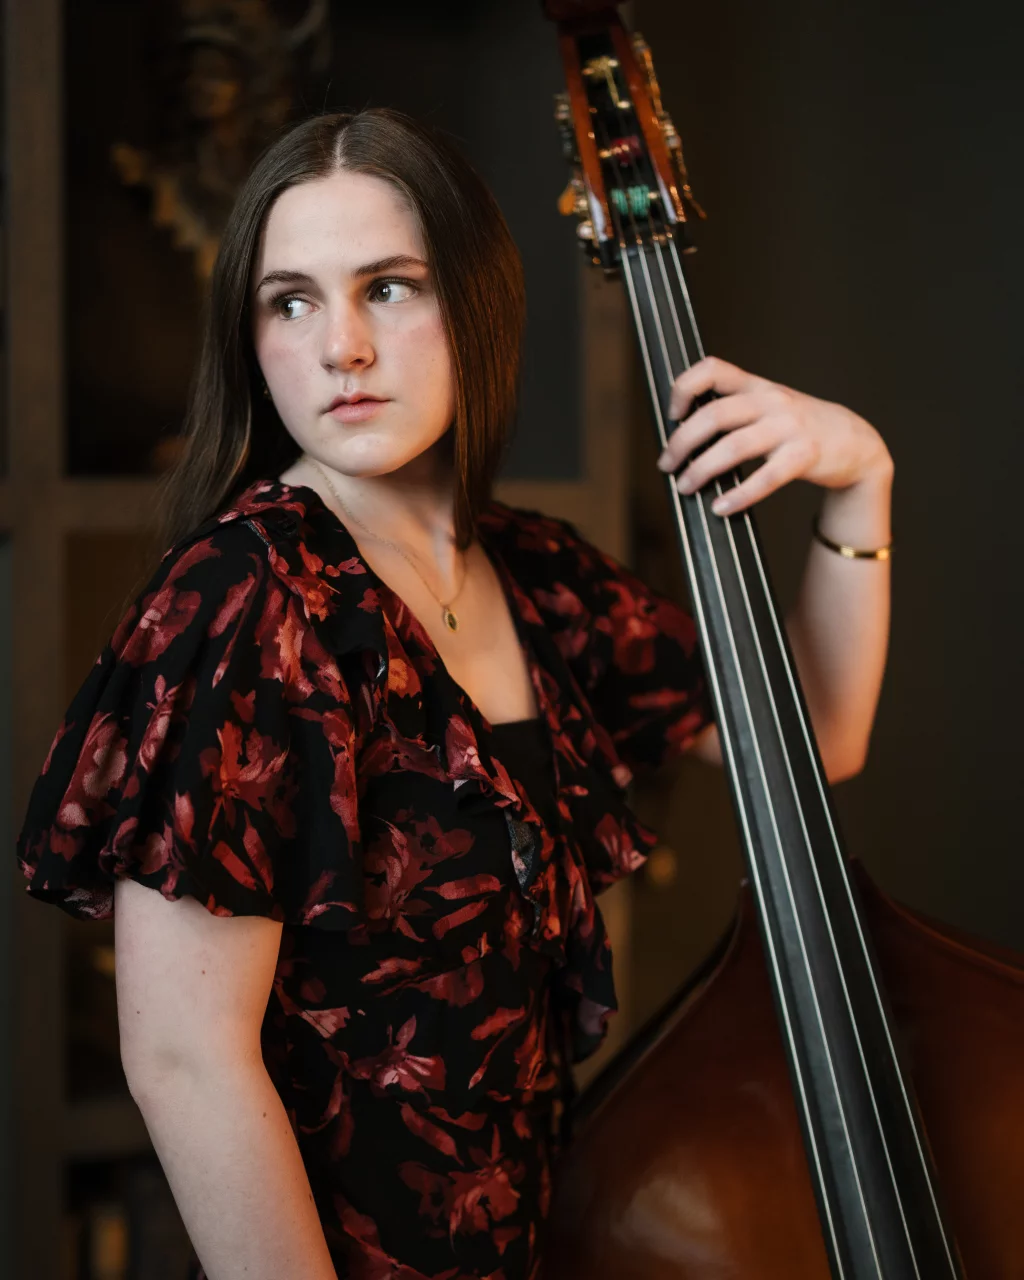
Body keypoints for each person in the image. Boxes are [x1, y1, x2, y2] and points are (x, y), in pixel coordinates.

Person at [15, 108, 894, 1280]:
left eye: (388, 287)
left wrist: (860, 483)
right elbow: (184, 1057)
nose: (342, 348)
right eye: (292, 300)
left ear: (473, 303)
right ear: (252, 336)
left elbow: (815, 741)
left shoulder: (531, 571)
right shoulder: (244, 598)